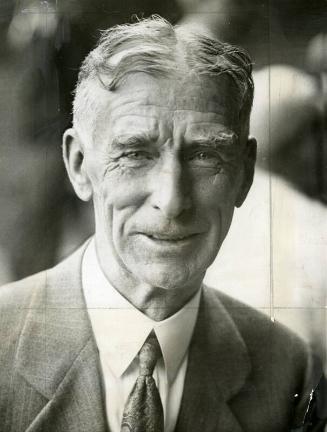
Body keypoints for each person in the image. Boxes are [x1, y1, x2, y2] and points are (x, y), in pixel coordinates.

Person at [0, 16, 322, 432]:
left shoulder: (289, 371)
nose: (171, 200)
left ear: (244, 175)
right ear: (79, 165)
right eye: (135, 154)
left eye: (205, 155)